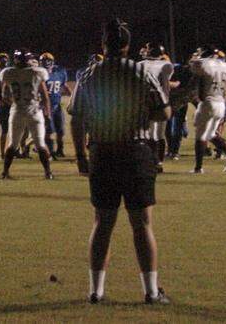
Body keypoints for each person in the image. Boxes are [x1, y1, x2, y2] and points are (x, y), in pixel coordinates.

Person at [70, 19, 171, 305]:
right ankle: (151, 291)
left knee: (103, 223)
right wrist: (139, 115)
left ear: (104, 45)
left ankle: (95, 291)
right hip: (136, 151)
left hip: (102, 151)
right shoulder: (140, 72)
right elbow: (163, 113)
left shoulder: (90, 74)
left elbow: (76, 118)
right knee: (142, 223)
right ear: (127, 46)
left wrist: (80, 156)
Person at [0, 49, 53, 179]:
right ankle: (48, 173)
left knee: (13, 144)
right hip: (34, 110)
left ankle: (5, 172)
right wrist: (48, 113)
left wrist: (16, 101)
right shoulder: (37, 72)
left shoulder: (8, 73)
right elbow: (45, 96)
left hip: (17, 110)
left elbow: (4, 95)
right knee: (40, 144)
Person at [189, 48, 226, 174]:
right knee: (210, 134)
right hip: (220, 103)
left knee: (200, 136)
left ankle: (198, 168)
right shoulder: (224, 66)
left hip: (208, 102)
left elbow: (196, 80)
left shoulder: (201, 64)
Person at [138, 43, 174, 172]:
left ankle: (152, 162)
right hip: (162, 101)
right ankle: (158, 162)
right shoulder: (166, 65)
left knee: (149, 134)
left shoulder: (140, 64)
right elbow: (166, 84)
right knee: (160, 134)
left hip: (145, 101)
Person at [41, 52, 69, 160]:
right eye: (45, 62)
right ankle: (51, 153)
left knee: (60, 131)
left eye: (49, 62)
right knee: (48, 132)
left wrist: (71, 95)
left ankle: (60, 150)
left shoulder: (59, 72)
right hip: (45, 107)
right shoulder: (39, 74)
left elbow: (64, 85)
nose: (47, 64)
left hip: (57, 106)